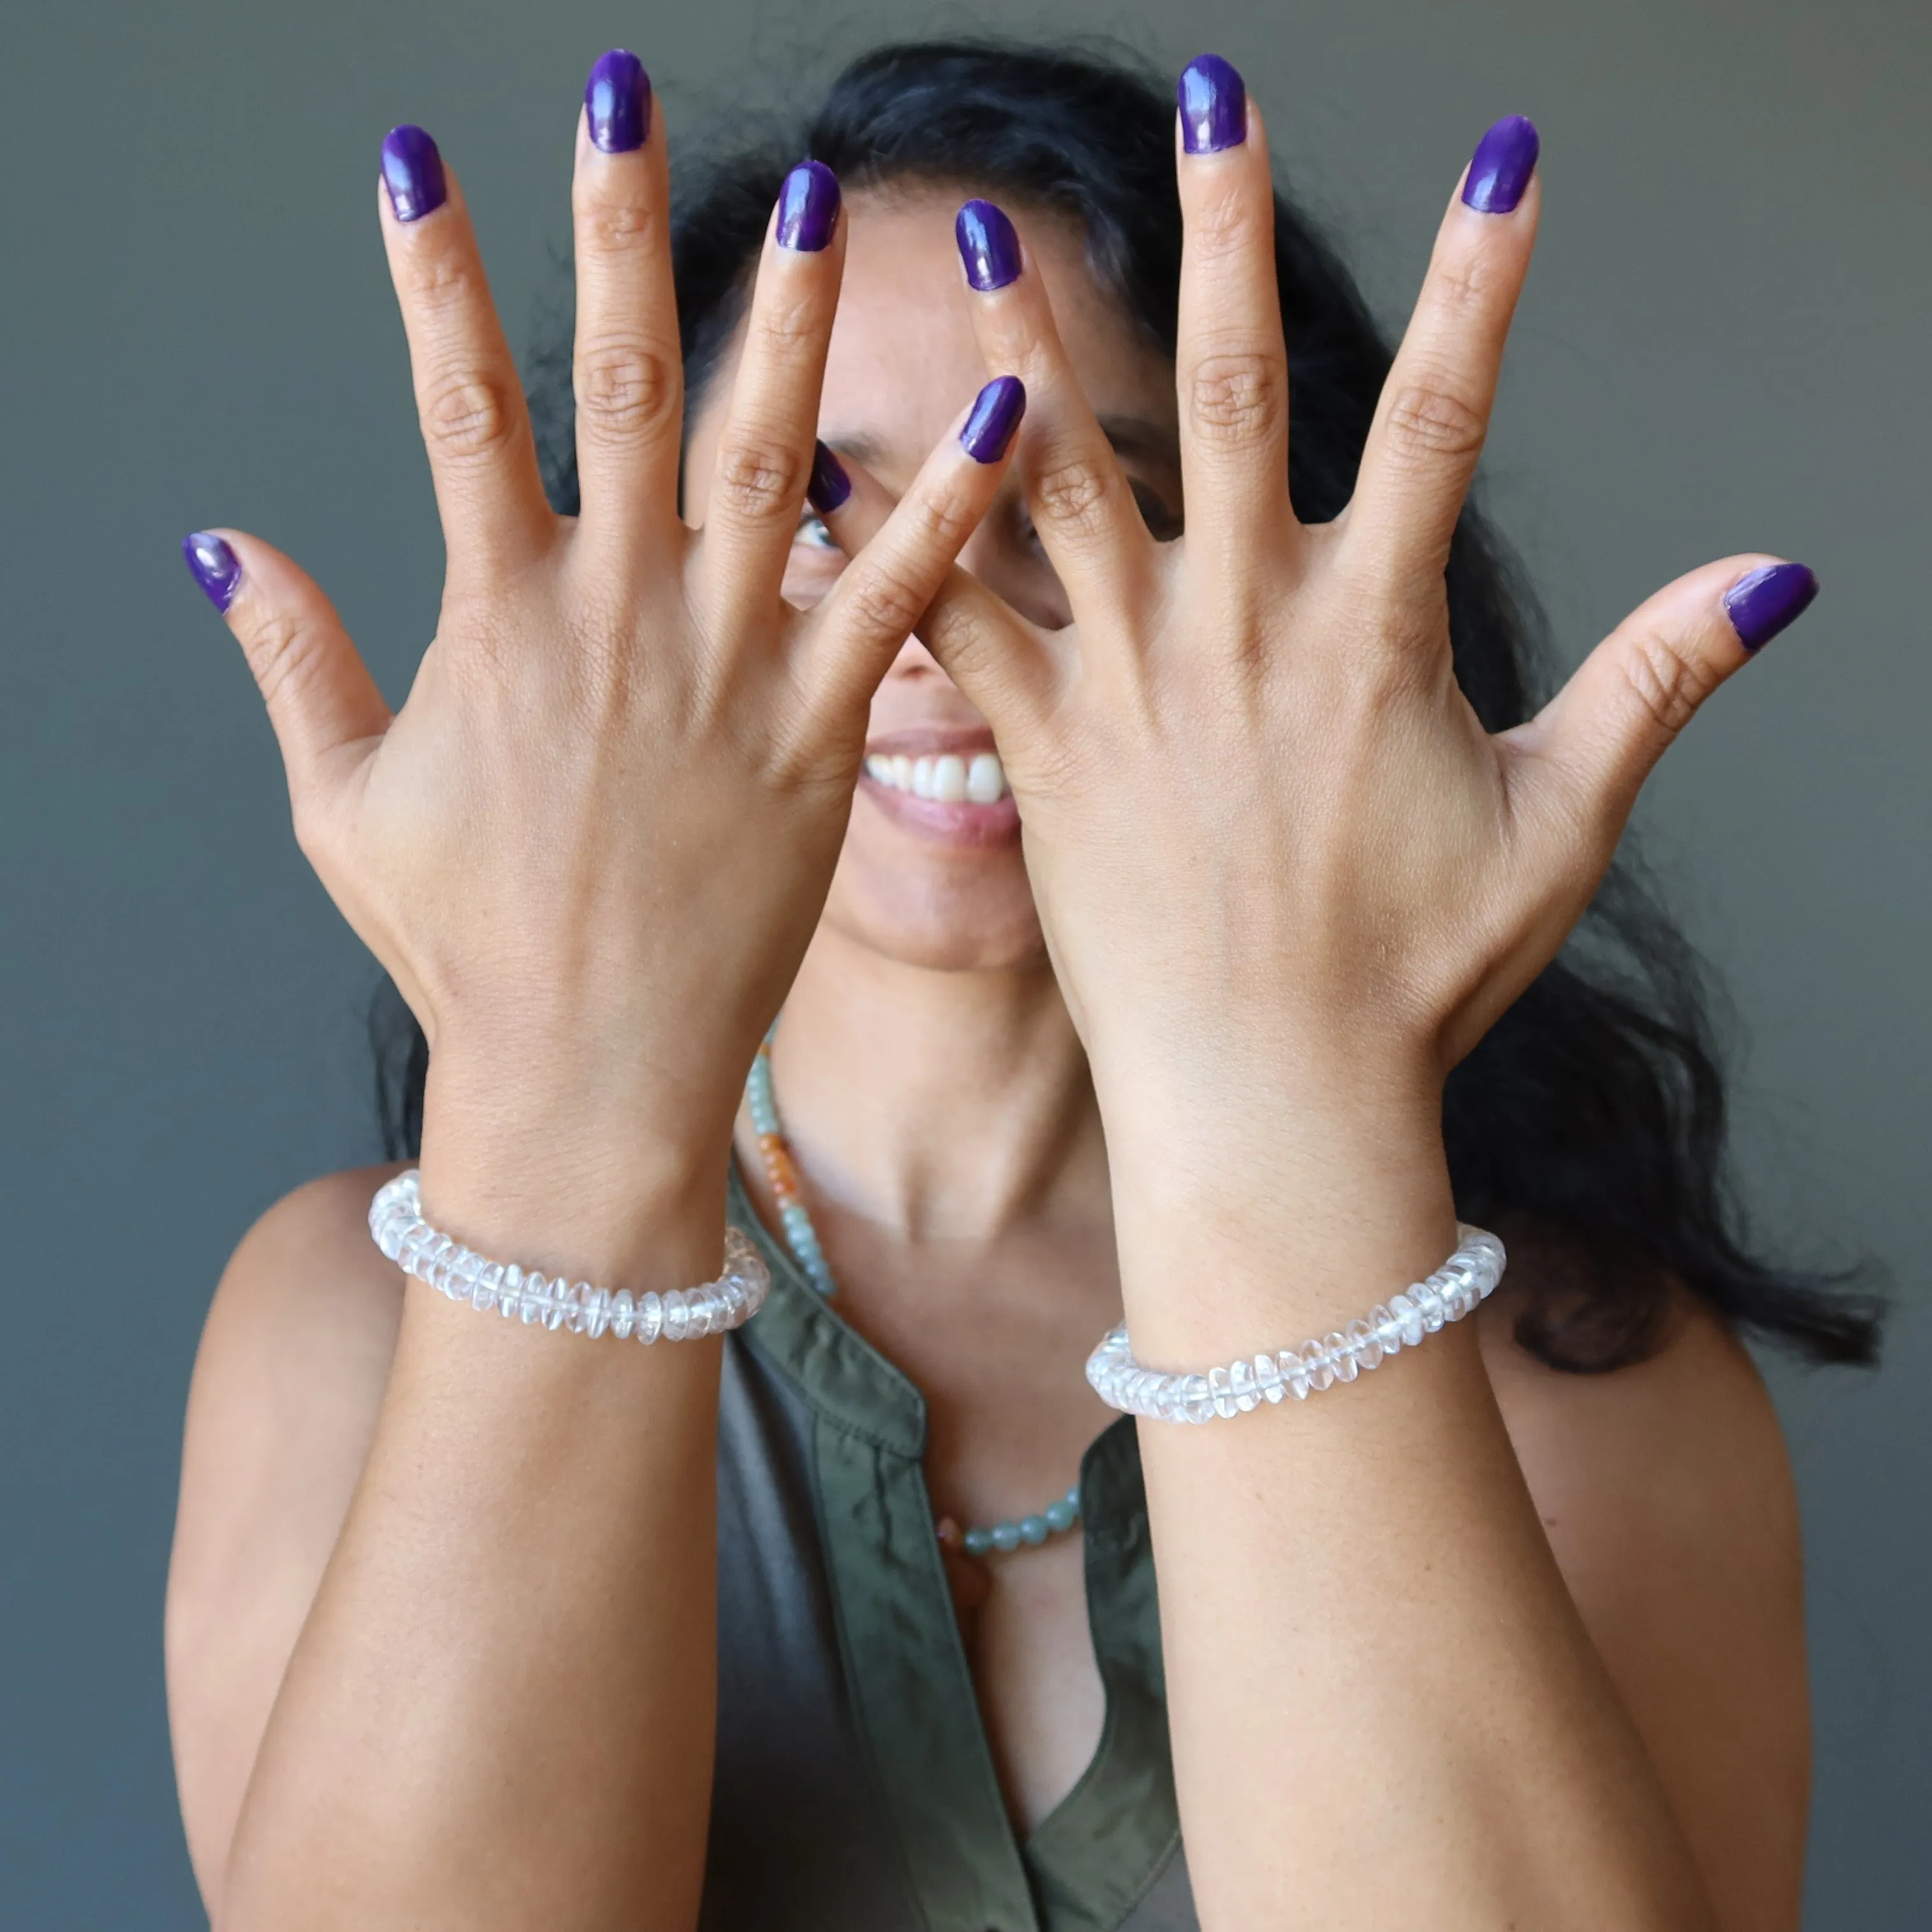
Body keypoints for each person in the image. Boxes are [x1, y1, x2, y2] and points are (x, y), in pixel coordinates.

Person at [164, 39, 1875, 1932]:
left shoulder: (1593, 1384)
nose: (931, 608)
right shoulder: (340, 1323)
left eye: (1078, 496)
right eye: (823, 500)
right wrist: (566, 1072)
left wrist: (1279, 1087)